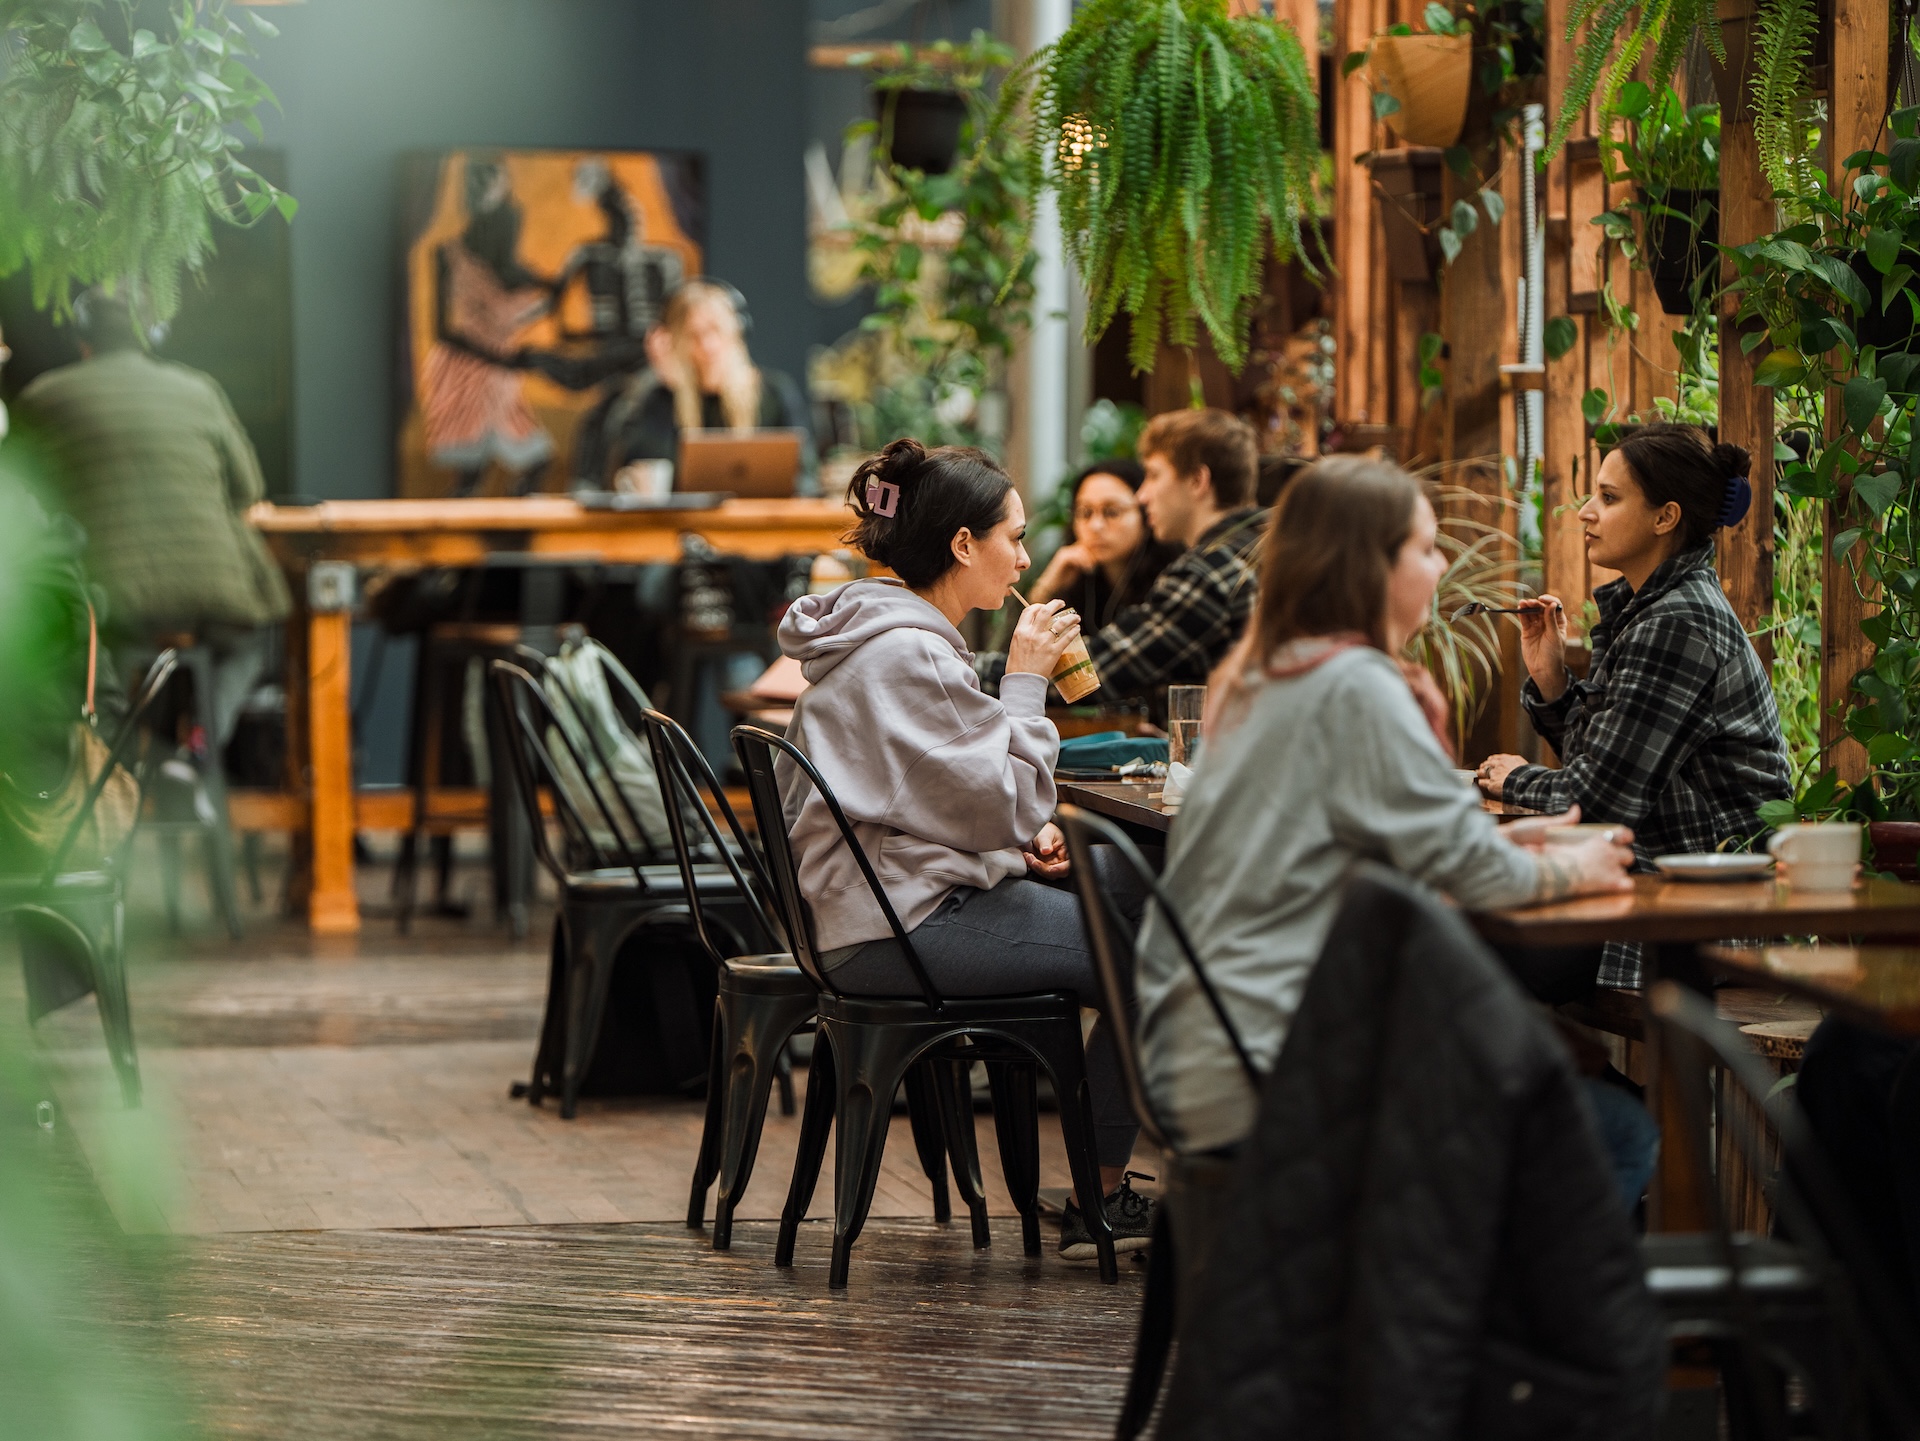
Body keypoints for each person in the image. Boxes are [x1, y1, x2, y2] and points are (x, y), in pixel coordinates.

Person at [1133, 458, 1645, 1254]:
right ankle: (1448, 1347)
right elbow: (1474, 877)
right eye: (1426, 547)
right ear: (1368, 562)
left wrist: (1502, 842)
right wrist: (1574, 866)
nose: (1442, 566)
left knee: (1549, 1075)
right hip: (1276, 1072)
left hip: (1202, 1055)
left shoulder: (1264, 675)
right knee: (1615, 1129)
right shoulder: (1357, 687)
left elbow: (1391, 851)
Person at [776, 437, 1154, 1259]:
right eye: (1014, 537)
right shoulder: (907, 653)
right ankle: (1103, 1191)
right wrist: (1025, 679)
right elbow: (1000, 803)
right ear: (962, 544)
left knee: (1127, 882)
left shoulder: (886, 635)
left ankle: (1101, 1174)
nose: (1024, 555)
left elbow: (951, 802)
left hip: (880, 900)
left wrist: (1018, 843)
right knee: (1156, 959)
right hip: (897, 927)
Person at [1476, 422, 1793, 993]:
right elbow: (1604, 766)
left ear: (1665, 517)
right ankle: (1591, 1080)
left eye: (1609, 497)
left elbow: (1597, 801)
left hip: (1701, 918)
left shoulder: (1677, 623)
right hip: (1658, 892)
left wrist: (1516, 779)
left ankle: (1592, 1083)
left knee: (1463, 951)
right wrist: (1551, 680)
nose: (1585, 512)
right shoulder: (1649, 609)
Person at [14, 288, 290, 752]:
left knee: (98, 653)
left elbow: (15, 492)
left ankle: (116, 768)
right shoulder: (199, 390)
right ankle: (198, 746)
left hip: (108, 595)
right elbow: (248, 488)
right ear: (147, 337)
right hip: (212, 592)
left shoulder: (45, 397)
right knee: (250, 643)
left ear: (84, 343)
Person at [1081, 408, 1266, 711]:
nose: (1142, 496)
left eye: (1154, 475)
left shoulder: (1210, 571)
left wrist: (977, 673)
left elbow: (1095, 673)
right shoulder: (1264, 546)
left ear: (1197, 481)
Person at [571, 280, 814, 493]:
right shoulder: (660, 398)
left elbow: (806, 476)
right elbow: (642, 473)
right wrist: (671, 390)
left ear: (736, 332)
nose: (708, 346)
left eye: (715, 331)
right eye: (694, 335)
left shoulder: (774, 391)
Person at [1026, 458, 1181, 629]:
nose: (1095, 526)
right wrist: (1047, 587)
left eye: (1111, 512)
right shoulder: (1075, 579)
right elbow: (1018, 650)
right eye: (1085, 512)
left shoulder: (1173, 581)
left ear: (1146, 514)